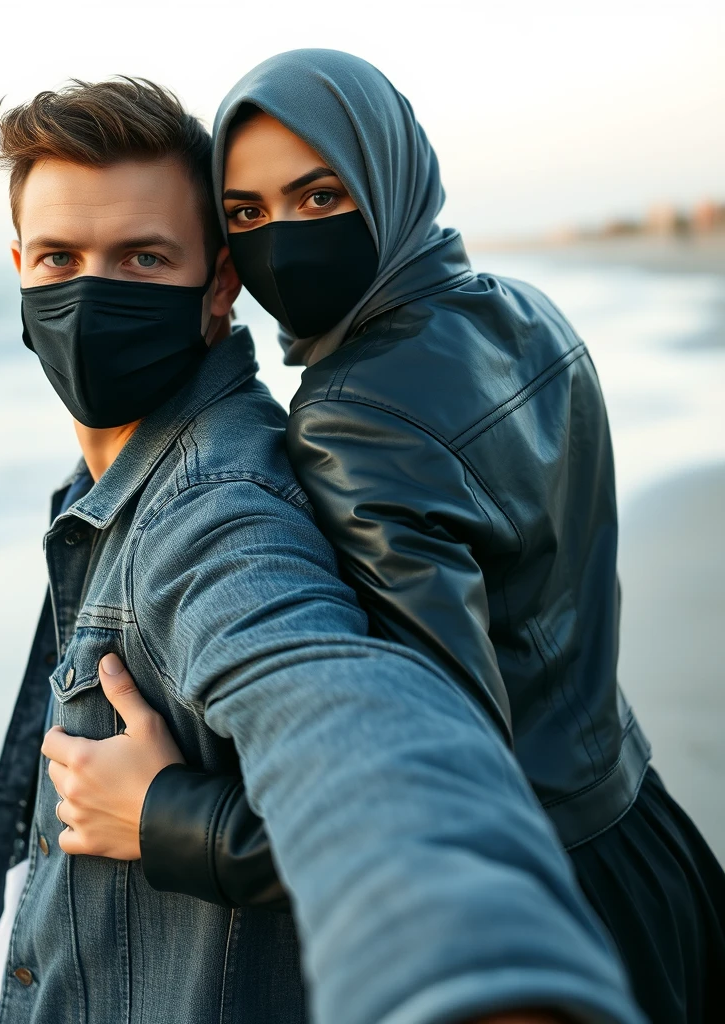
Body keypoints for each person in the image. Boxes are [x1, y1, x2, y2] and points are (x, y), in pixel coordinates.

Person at [41, 52, 725, 1023]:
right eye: (247, 212)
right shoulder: (521, 316)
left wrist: (169, 819)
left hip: (547, 896)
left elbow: (430, 754)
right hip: (644, 830)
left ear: (384, 178)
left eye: (319, 195)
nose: (285, 238)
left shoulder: (352, 418)